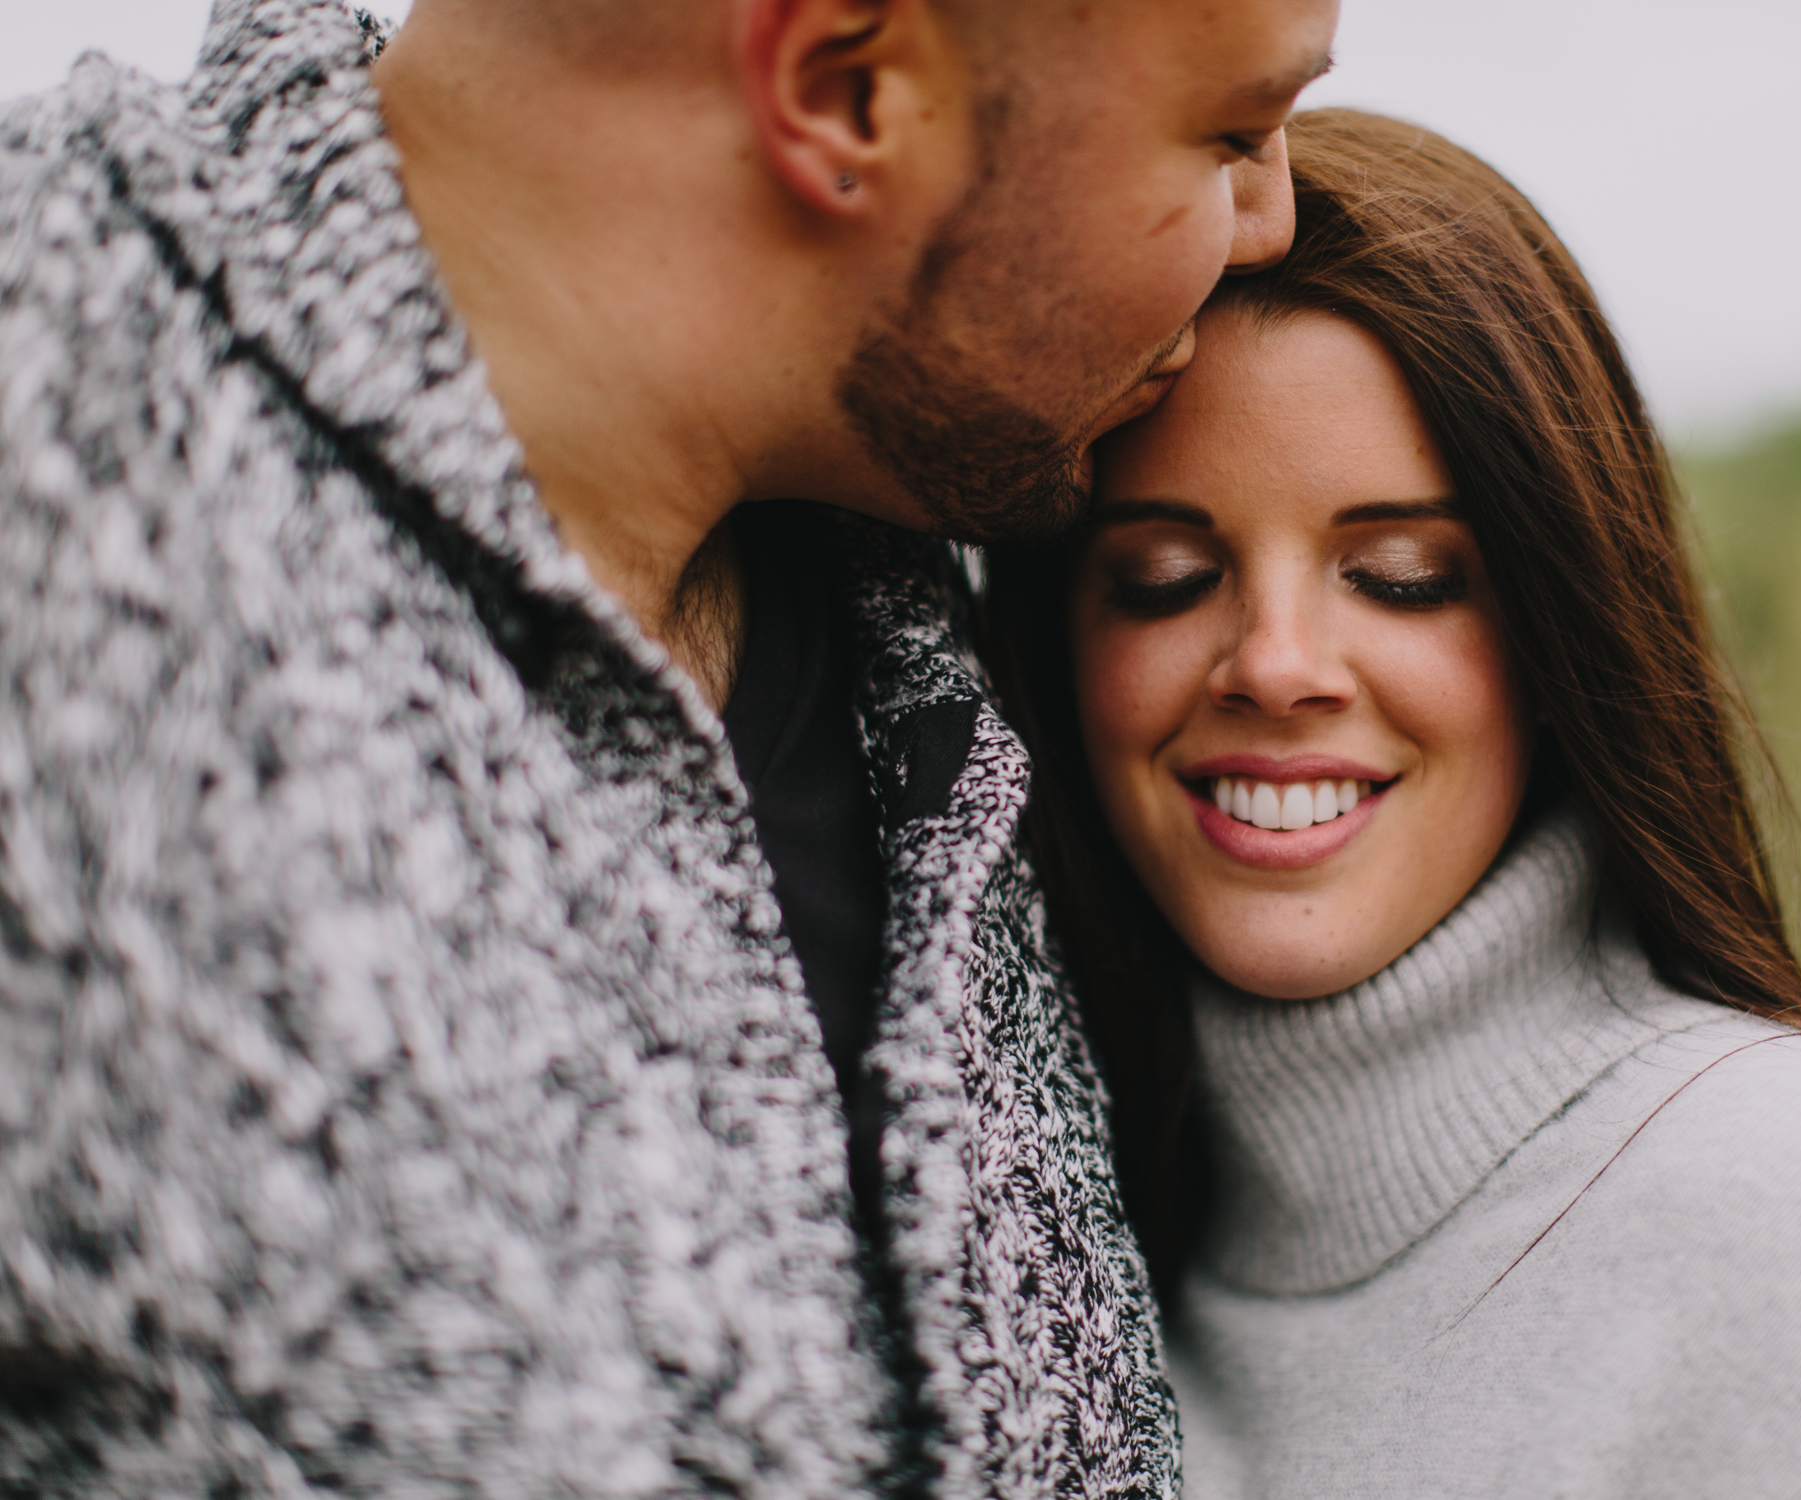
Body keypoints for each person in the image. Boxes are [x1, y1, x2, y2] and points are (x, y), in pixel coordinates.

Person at [0, 0, 1337, 1491]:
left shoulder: (942, 560)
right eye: (1229, 132)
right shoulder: (51, 466)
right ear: (844, 92)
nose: (1268, 220)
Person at [984, 110, 1801, 1498]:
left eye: (1399, 575)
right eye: (1159, 578)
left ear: (1562, 636)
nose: (1273, 665)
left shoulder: (1795, 1199)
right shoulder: (1040, 1204)